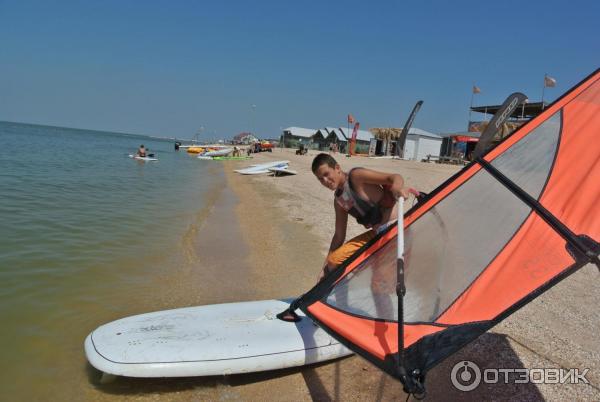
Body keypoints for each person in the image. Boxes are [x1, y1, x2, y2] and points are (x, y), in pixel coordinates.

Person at [311, 153, 411, 281]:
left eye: (326, 174)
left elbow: (394, 177)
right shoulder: (339, 201)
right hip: (376, 236)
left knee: (380, 282)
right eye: (320, 179)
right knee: (334, 261)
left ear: (337, 168)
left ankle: (377, 272)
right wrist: (324, 269)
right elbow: (339, 236)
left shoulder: (356, 176)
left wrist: (397, 189)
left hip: (395, 230)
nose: (325, 181)